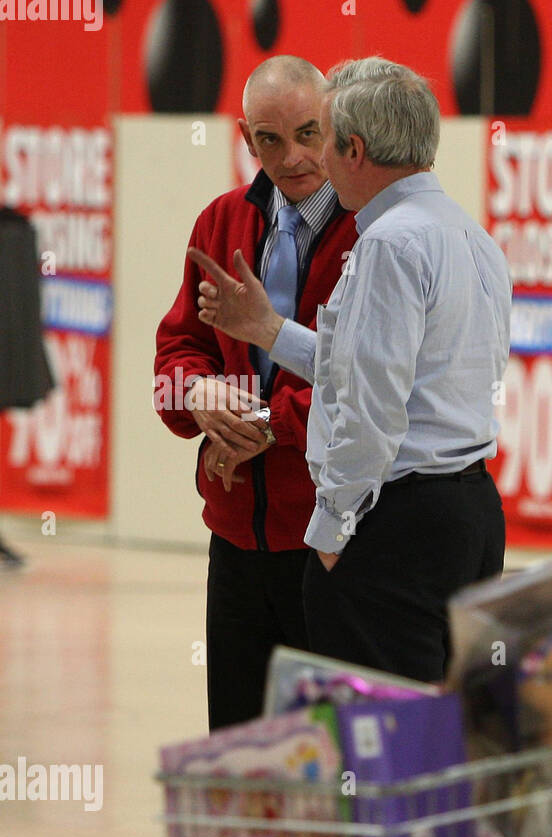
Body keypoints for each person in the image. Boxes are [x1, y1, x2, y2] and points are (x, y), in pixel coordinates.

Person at [188, 57, 510, 684]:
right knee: (436, 726)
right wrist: (269, 331)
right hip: (469, 512)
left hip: (399, 521)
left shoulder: (389, 244)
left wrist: (330, 530)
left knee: (377, 741)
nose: (312, 162)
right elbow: (376, 370)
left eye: (321, 138)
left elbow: (371, 407)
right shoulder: (469, 235)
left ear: (354, 149)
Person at [154, 56, 356, 730]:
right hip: (236, 539)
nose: (293, 157)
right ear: (246, 139)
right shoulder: (221, 222)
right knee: (239, 751)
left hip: (330, 543)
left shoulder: (371, 235)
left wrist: (272, 422)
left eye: (308, 133)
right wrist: (198, 393)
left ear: (335, 123)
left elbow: (370, 385)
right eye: (270, 140)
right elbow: (175, 351)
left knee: (331, 758)